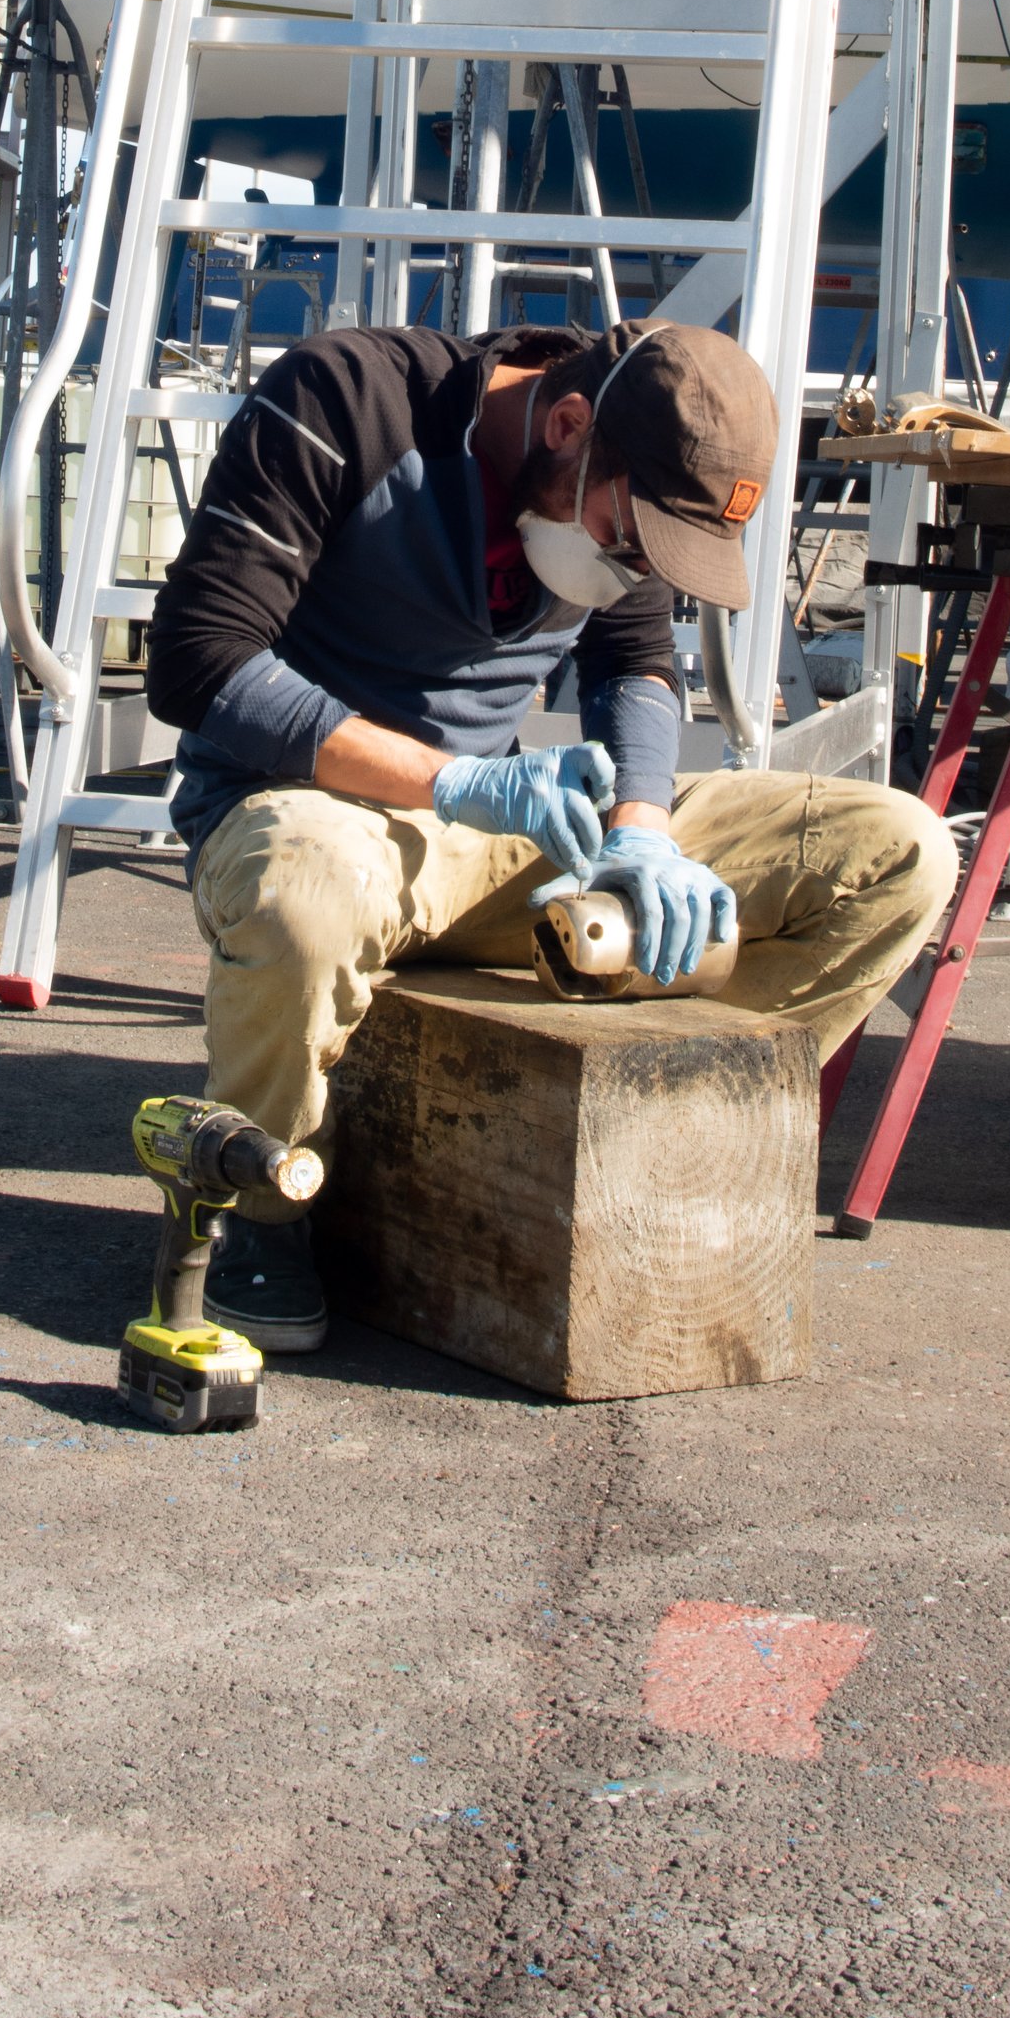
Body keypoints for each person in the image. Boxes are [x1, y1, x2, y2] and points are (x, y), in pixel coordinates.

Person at [142, 317, 956, 1354]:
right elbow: (197, 659)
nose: (628, 570)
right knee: (306, 891)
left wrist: (642, 831)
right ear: (567, 422)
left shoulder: (626, 464)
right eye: (628, 541)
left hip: (505, 825)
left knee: (896, 851)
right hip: (308, 815)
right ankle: (259, 1205)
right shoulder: (348, 396)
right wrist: (455, 779)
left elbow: (638, 665)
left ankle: (654, 1144)